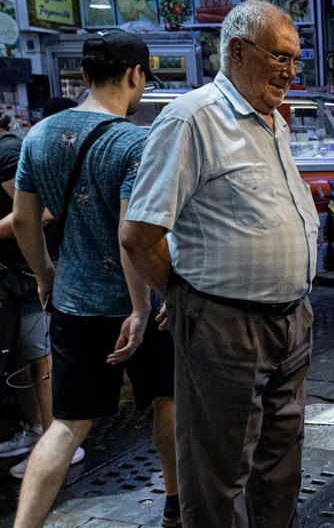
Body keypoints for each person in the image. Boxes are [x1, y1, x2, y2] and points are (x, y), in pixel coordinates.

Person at [120, 0, 319, 528]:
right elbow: (139, 235)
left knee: (279, 465)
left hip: (291, 320)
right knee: (219, 471)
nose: (290, 71)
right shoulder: (192, 119)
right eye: (281, 57)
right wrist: (186, 299)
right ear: (237, 50)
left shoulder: (274, 120)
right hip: (226, 326)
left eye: (296, 60)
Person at [11, 30, 178, 528]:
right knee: (168, 402)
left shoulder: (38, 135)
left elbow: (24, 220)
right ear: (134, 75)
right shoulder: (137, 142)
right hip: (138, 308)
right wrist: (141, 307)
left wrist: (45, 276)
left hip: (73, 303)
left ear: (83, 75)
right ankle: (175, 505)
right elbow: (133, 237)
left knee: (66, 425)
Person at [0, 114, 58, 476]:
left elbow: (42, 212)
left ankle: (56, 441)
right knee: (25, 355)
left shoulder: (8, 151)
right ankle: (36, 430)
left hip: (29, 272)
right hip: (15, 275)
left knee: (41, 356)